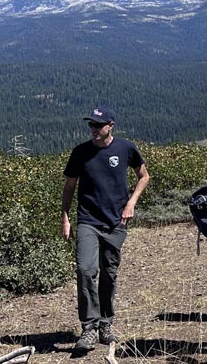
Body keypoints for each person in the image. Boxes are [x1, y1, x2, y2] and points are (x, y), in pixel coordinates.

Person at [61, 106, 150, 351]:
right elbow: (69, 187)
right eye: (91, 125)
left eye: (98, 125)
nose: (94, 129)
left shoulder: (126, 148)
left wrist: (131, 203)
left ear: (111, 125)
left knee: (109, 274)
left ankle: (105, 324)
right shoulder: (80, 152)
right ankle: (89, 327)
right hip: (88, 221)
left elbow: (144, 176)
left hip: (116, 223)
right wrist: (65, 217)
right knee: (86, 269)